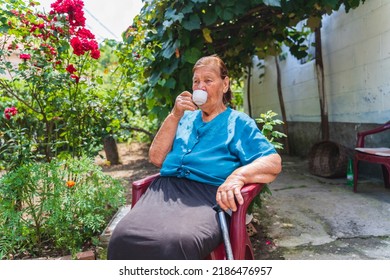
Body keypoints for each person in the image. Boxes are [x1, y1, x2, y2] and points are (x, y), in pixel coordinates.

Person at [107, 54, 282, 260]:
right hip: (164, 191)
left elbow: (272, 162)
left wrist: (238, 176)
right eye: (196, 82)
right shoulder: (183, 118)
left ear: (224, 84)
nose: (201, 87)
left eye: (208, 81)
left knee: (177, 242)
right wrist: (174, 115)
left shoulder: (238, 122)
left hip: (207, 198)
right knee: (123, 237)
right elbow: (156, 158)